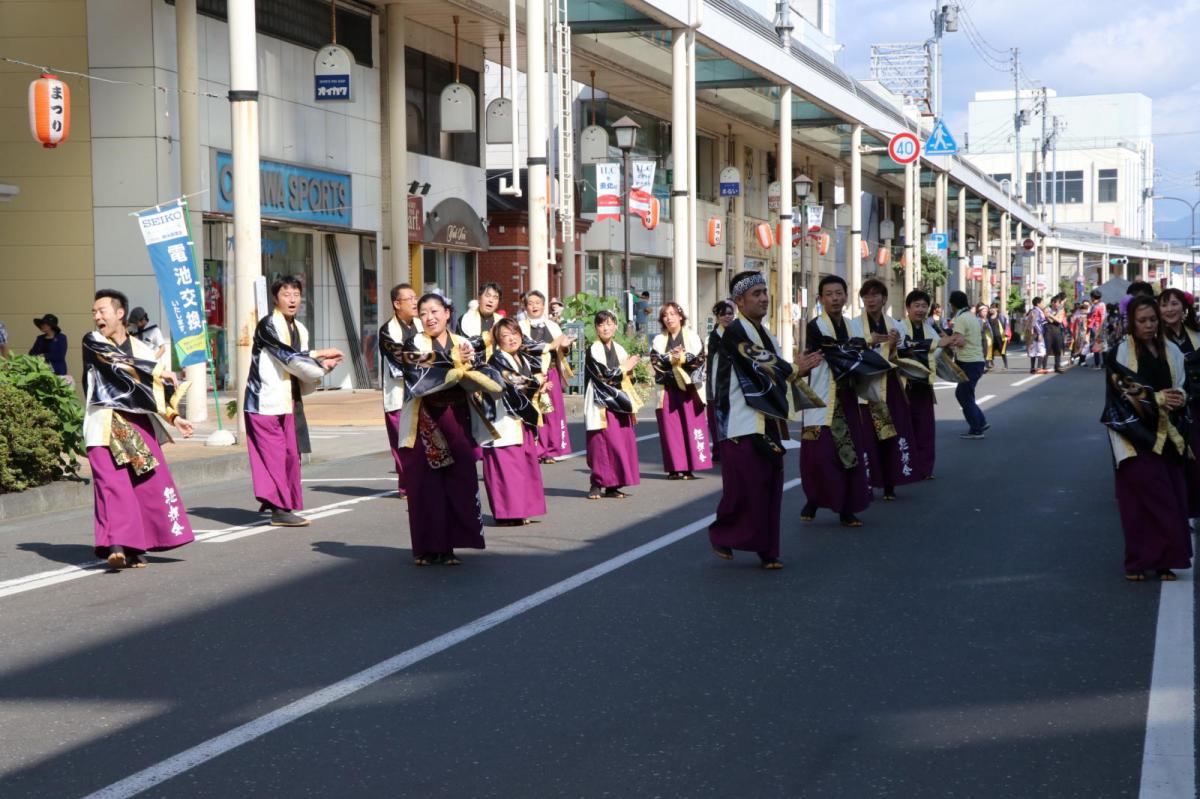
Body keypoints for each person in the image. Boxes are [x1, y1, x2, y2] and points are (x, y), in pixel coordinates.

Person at [709, 270, 822, 568]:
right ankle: (723, 533)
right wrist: (794, 369)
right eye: (755, 294)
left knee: (770, 485)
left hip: (766, 419)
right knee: (744, 486)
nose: (763, 298)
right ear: (739, 301)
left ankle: (768, 550)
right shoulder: (734, 332)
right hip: (739, 421)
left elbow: (775, 367)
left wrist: (795, 370)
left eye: (764, 292)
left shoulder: (766, 332)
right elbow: (762, 365)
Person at [82, 289, 195, 570]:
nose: (97, 317)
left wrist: (173, 417)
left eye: (102, 311)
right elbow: (116, 364)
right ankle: (117, 545)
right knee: (112, 485)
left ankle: (135, 545)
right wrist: (156, 372)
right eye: (94, 312)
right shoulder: (93, 342)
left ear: (120, 313)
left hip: (136, 424)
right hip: (105, 424)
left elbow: (154, 390)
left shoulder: (142, 349)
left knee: (147, 485)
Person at [395, 293, 502, 565]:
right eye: (423, 313)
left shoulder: (462, 343)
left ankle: (450, 545)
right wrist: (453, 362)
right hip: (425, 419)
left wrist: (468, 363)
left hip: (457, 416)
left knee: (459, 481)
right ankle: (427, 547)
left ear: (447, 313)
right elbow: (417, 377)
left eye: (435, 311)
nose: (430, 317)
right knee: (426, 485)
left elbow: (482, 372)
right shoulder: (414, 344)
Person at [1103, 295, 1192, 581]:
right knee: (1137, 503)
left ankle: (1166, 560)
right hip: (1134, 436)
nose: (1149, 325)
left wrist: (1180, 397)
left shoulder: (1172, 350)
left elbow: (1183, 384)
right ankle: (1137, 561)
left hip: (1168, 434)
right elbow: (1120, 394)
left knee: (1171, 498)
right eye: (1142, 321)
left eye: (1153, 319)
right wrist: (1157, 398)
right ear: (1132, 322)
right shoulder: (1120, 352)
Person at [244, 275, 344, 527]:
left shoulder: (300, 328)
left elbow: (299, 359)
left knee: (291, 454)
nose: (292, 299)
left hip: (289, 400)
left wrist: (320, 361)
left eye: (296, 294)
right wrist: (322, 364)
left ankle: (279, 501)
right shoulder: (267, 325)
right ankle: (279, 508)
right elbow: (287, 357)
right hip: (263, 401)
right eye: (286, 294)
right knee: (275, 456)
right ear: (275, 298)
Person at [799, 275, 876, 527]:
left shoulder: (853, 326)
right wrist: (859, 347)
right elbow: (836, 351)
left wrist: (860, 348)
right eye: (829, 294)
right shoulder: (815, 326)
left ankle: (847, 507)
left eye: (839, 293)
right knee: (817, 456)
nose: (834, 298)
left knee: (849, 453)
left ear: (845, 296)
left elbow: (859, 353)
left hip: (847, 397)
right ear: (821, 299)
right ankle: (813, 498)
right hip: (821, 397)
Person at [851, 278, 918, 501]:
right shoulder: (854, 325)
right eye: (866, 296)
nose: (870, 300)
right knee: (866, 437)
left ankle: (890, 482)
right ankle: (867, 482)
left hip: (889, 386)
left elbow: (900, 358)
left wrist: (892, 347)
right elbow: (852, 354)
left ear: (884, 299)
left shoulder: (895, 326)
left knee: (891, 435)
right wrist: (869, 342)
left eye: (875, 295)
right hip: (864, 387)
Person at [482, 318, 548, 526]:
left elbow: (528, 384)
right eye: (505, 336)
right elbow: (513, 383)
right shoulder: (497, 360)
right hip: (504, 421)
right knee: (506, 468)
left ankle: (521, 509)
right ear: (497, 341)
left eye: (514, 333)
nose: (511, 339)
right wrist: (538, 383)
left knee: (523, 466)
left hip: (522, 420)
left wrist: (539, 386)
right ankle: (506, 513)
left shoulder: (523, 359)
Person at [900, 289, 963, 480]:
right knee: (905, 429)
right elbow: (904, 351)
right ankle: (906, 467)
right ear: (908, 308)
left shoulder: (930, 329)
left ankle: (925, 468)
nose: (920, 310)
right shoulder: (899, 328)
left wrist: (951, 343)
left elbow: (938, 354)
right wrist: (938, 345)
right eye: (916, 305)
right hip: (903, 386)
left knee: (926, 429)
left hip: (924, 386)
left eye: (924, 306)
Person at [584, 309, 642, 500]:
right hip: (601, 401)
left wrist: (630, 369)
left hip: (620, 401)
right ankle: (597, 483)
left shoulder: (620, 349)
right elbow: (603, 376)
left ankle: (614, 484)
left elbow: (626, 377)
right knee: (600, 442)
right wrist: (625, 368)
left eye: (609, 323)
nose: (605, 328)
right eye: (601, 324)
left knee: (621, 442)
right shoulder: (593, 349)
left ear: (616, 326)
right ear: (596, 328)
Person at [650, 302, 712, 480]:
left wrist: (683, 357)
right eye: (665, 315)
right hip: (668, 390)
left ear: (680, 316)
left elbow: (699, 359)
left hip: (690, 390)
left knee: (692, 427)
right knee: (671, 430)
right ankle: (674, 468)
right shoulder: (659, 340)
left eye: (672, 314)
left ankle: (689, 468)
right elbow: (656, 362)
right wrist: (672, 357)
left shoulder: (692, 337)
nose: (669, 318)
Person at [519, 290, 576, 463]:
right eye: (531, 303)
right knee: (535, 410)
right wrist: (551, 345)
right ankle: (536, 449)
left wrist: (565, 346)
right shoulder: (520, 327)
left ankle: (551, 449)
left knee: (552, 411)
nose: (535, 306)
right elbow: (525, 348)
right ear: (525, 306)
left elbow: (561, 350)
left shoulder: (553, 326)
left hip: (551, 372)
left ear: (544, 306)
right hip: (531, 374)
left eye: (538, 302)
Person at [1159, 288, 1200, 519]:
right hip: (1170, 411)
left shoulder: (1196, 334)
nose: (1169, 309)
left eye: (1174, 304)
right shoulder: (1154, 339)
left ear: (1184, 308)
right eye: (1164, 305)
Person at [379, 283, 421, 498]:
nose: (415, 302)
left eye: (415, 298)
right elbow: (398, 356)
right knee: (401, 441)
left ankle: (416, 482)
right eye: (410, 299)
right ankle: (407, 484)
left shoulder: (423, 324)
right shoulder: (387, 331)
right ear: (397, 304)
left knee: (419, 441)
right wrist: (428, 360)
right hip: (398, 395)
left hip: (422, 393)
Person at [948, 290, 989, 439]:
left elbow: (960, 340)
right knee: (967, 394)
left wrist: (946, 341)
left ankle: (976, 429)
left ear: (953, 304)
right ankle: (981, 421)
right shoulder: (972, 317)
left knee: (963, 394)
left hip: (968, 362)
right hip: (976, 361)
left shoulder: (961, 319)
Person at [457, 282, 503, 357]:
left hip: (498, 366)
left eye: (495, 297)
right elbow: (463, 345)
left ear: (498, 303)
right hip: (472, 365)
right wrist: (488, 337)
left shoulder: (502, 322)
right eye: (487, 296)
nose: (491, 300)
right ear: (479, 298)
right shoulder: (465, 319)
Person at [30, 313, 69, 378]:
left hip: (57, 371)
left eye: (44, 324)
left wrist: (44, 356)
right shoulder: (40, 338)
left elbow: (60, 355)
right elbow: (32, 353)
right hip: (41, 370)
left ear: (50, 326)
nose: (41, 326)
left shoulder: (61, 338)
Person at [1043, 294, 1068, 373]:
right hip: (1048, 331)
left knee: (1057, 350)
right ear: (1053, 303)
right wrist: (1055, 316)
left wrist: (1052, 315)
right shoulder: (1047, 309)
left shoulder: (1060, 310)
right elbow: (1050, 321)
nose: (1059, 304)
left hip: (1057, 332)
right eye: (1057, 302)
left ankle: (1057, 366)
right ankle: (1044, 367)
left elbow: (1060, 321)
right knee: (1046, 350)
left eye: (1060, 302)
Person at [1025, 297, 1048, 374]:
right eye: (1042, 303)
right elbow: (1035, 323)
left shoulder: (1032, 311)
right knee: (1041, 350)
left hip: (1032, 334)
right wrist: (1039, 333)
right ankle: (1038, 368)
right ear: (1038, 304)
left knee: (1033, 351)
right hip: (1037, 333)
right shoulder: (1037, 312)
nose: (1043, 304)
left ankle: (1032, 368)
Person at [988, 305, 1009, 370]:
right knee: (990, 351)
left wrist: (1006, 333)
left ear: (996, 309)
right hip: (991, 337)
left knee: (1002, 351)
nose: (991, 309)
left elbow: (1006, 325)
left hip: (1000, 336)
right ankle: (991, 364)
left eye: (993, 308)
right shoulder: (988, 317)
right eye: (991, 308)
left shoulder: (1000, 316)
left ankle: (1006, 365)